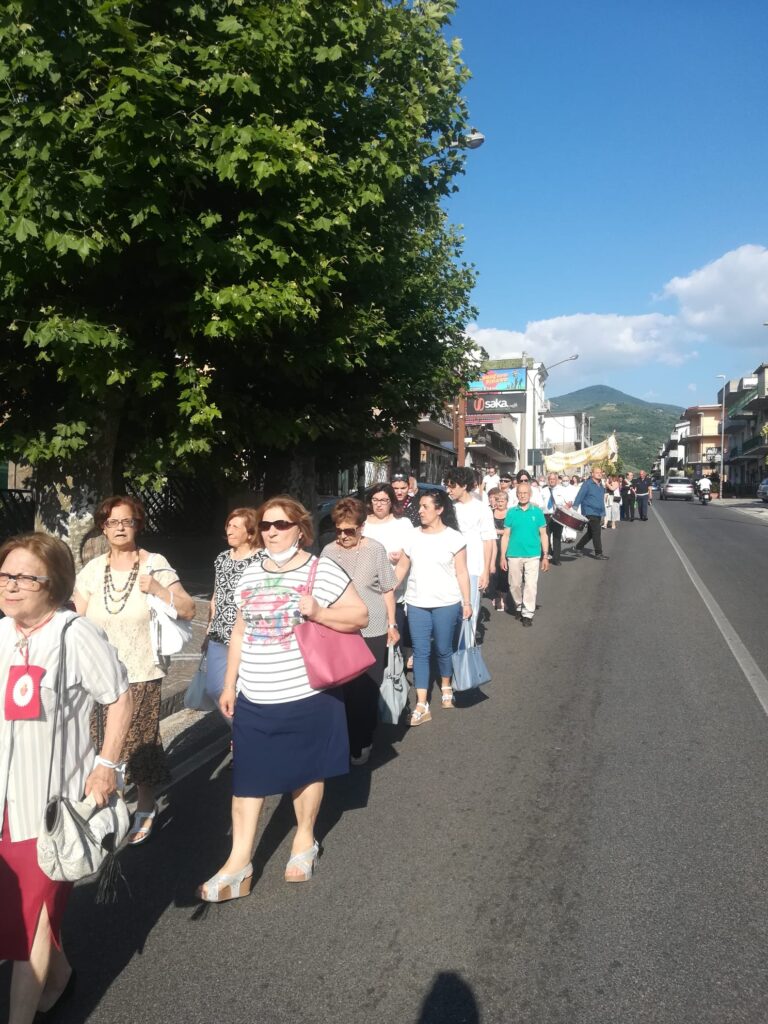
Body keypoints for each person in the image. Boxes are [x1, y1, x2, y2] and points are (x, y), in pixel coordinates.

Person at [198, 496, 368, 901]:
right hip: (255, 692)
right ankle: (238, 861)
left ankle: (304, 840)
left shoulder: (319, 569)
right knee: (247, 778)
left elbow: (359, 616)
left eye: (280, 525)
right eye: (266, 525)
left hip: (307, 691)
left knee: (307, 770)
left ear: (300, 530)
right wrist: (228, 685)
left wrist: (318, 612)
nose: (271, 531)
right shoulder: (248, 573)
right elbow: (238, 631)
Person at [0, 533, 133, 1024]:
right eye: (4, 575)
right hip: (3, 806)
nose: (9, 586)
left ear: (51, 584)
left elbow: (119, 697)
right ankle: (60, 979)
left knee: (29, 920)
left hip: (51, 807)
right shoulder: (1, 635)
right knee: (21, 917)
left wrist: (107, 764)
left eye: (22, 577)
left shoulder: (74, 634)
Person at [73, 495, 196, 845]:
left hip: (140, 669)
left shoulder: (155, 563)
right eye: (112, 523)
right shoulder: (93, 571)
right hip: (97, 675)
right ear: (103, 527)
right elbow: (77, 620)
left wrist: (156, 588)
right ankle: (108, 801)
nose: (120, 528)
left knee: (138, 742)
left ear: (137, 525)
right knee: (100, 740)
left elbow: (188, 609)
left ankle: (145, 803)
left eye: (126, 521)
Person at [322, 498, 399, 765]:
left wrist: (392, 624)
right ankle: (347, 737)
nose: (343, 536)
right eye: (339, 530)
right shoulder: (328, 552)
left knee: (366, 689)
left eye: (349, 531)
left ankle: (364, 738)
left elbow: (388, 589)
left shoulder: (375, 550)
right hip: (340, 629)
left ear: (361, 527)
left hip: (373, 627)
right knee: (344, 690)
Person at [394, 491, 471, 722]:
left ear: (439, 510)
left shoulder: (454, 538)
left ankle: (446, 685)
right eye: (419, 506)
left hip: (446, 603)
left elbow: (462, 572)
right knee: (420, 652)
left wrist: (466, 602)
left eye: (425, 507)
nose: (420, 511)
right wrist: (386, 590)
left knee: (443, 649)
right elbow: (401, 570)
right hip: (417, 603)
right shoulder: (412, 537)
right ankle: (421, 703)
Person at [204, 508, 261, 705]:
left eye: (236, 527)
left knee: (247, 690)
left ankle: (244, 733)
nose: (229, 530)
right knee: (214, 688)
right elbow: (216, 594)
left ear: (251, 533)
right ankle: (242, 730)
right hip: (219, 634)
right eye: (228, 525)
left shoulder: (261, 561)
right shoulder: (221, 558)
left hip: (248, 635)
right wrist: (209, 626)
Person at [443, 467, 496, 630]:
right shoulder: (447, 508)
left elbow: (488, 541)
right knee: (451, 612)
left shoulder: (481, 508)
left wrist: (486, 571)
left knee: (470, 612)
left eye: (452, 486)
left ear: (464, 486)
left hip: (474, 566)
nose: (448, 490)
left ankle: (466, 651)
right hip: (450, 567)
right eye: (447, 485)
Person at [362, 483, 414, 639]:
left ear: (391, 501)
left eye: (384, 500)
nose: (379, 504)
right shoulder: (362, 524)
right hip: (365, 595)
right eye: (375, 499)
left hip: (394, 593)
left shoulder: (403, 524)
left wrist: (389, 590)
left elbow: (407, 560)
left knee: (392, 643)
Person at [500, 481, 549, 626]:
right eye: (520, 493)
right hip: (514, 554)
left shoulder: (537, 512)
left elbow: (544, 534)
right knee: (514, 585)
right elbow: (506, 535)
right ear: (516, 495)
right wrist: (502, 556)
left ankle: (528, 613)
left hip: (533, 554)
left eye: (525, 493)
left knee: (530, 585)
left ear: (530, 494)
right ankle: (519, 605)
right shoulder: (511, 512)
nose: (522, 495)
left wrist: (545, 555)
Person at [572, 467, 608, 559]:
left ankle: (578, 547)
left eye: (600, 472)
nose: (599, 474)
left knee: (591, 533)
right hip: (590, 511)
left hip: (599, 512)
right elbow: (580, 495)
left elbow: (601, 500)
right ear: (592, 474)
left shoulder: (601, 485)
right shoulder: (587, 484)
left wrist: (603, 513)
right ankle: (598, 553)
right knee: (597, 532)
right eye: (597, 472)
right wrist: (574, 509)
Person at [486, 488, 510, 610]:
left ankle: (504, 599)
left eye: (502, 501)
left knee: (504, 572)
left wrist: (497, 531)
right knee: (493, 572)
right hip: (492, 544)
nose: (500, 503)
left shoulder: (510, 513)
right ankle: (496, 595)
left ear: (507, 502)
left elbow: (511, 531)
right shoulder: (490, 512)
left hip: (506, 545)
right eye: (498, 501)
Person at [541, 471, 568, 565]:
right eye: (550, 479)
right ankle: (547, 554)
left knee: (557, 538)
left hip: (558, 516)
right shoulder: (543, 490)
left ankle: (556, 559)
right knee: (546, 536)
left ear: (557, 480)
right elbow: (540, 504)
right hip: (546, 516)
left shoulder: (562, 490)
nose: (552, 481)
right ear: (548, 480)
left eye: (553, 479)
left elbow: (567, 503)